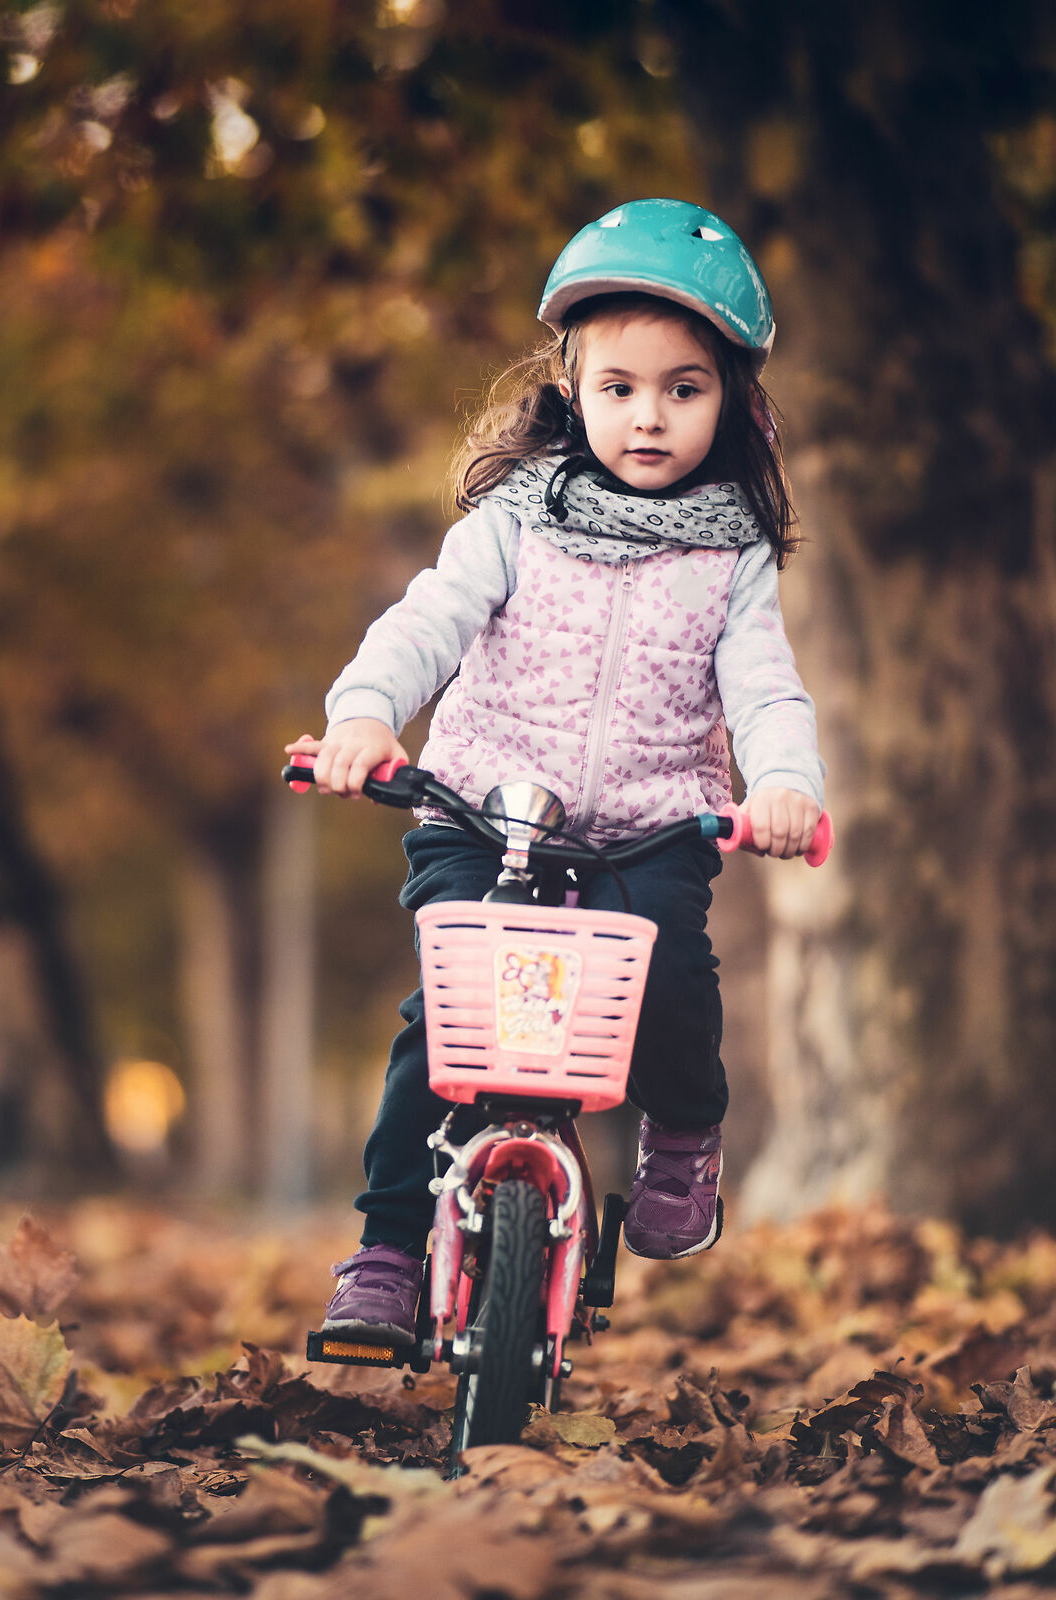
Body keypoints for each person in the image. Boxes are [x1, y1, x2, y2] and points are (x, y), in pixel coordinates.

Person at [286, 199, 826, 1343]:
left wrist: (783, 784)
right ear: (571, 389)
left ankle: (682, 1132)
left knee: (676, 983)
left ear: (731, 401)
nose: (649, 416)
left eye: (685, 388)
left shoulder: (727, 555)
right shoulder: (512, 522)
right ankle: (386, 1248)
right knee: (438, 1031)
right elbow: (427, 621)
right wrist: (367, 714)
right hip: (484, 814)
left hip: (648, 829)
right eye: (620, 387)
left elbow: (766, 687)